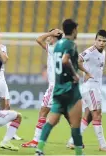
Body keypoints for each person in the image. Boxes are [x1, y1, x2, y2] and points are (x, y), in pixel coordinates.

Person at [35, 19, 84, 156]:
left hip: (58, 88)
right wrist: (75, 75)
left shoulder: (56, 46)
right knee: (75, 123)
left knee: (51, 121)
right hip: (70, 88)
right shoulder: (70, 44)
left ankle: (39, 149)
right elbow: (65, 61)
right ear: (74, 30)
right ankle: (79, 153)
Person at [66, 30, 106, 152]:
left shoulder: (103, 52)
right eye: (99, 40)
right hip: (91, 87)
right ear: (95, 40)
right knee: (97, 114)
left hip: (95, 87)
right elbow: (77, 60)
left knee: (88, 116)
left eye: (104, 41)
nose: (101, 43)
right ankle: (103, 144)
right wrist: (86, 72)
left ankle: (72, 141)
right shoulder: (90, 51)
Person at [22, 29, 65, 147]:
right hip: (63, 85)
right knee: (66, 114)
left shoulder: (53, 48)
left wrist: (51, 33)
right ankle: (76, 141)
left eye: (50, 36)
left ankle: (35, 140)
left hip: (54, 86)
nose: (48, 38)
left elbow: (38, 39)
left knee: (43, 111)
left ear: (55, 37)